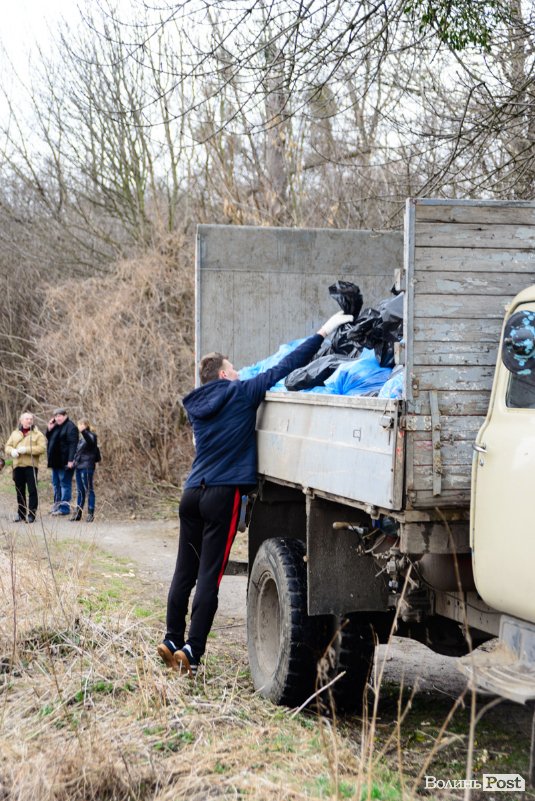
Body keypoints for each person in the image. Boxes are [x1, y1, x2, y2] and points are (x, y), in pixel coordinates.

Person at [157, 310, 352, 678]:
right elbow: (287, 366)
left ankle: (170, 640)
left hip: (191, 493)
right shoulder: (242, 393)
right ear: (223, 374)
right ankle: (192, 652)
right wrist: (323, 332)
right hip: (221, 495)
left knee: (184, 571)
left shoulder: (197, 407)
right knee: (210, 575)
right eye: (233, 368)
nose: (238, 371)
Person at [4, 412, 47, 523]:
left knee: (32, 490)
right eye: (27, 419)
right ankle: (21, 514)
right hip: (17, 466)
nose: (29, 421)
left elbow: (42, 448)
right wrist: (11, 451)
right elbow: (7, 446)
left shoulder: (37, 434)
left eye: (31, 419)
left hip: (31, 466)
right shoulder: (14, 434)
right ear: (21, 420)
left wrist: (27, 449)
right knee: (20, 490)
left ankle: (32, 515)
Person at [46, 407, 79, 516]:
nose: (58, 418)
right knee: (56, 484)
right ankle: (57, 506)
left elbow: (73, 445)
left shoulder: (71, 427)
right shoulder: (56, 427)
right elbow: (50, 439)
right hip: (55, 462)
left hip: (65, 462)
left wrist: (71, 460)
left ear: (65, 416)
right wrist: (49, 429)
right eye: (56, 416)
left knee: (65, 484)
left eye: (60, 416)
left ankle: (64, 508)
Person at [71, 418, 99, 522]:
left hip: (87, 467)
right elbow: (79, 452)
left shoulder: (91, 436)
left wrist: (84, 431)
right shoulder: (81, 438)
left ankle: (90, 514)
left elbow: (90, 441)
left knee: (89, 490)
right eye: (79, 425)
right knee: (80, 491)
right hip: (79, 467)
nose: (80, 426)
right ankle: (78, 513)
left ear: (86, 425)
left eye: (82, 424)